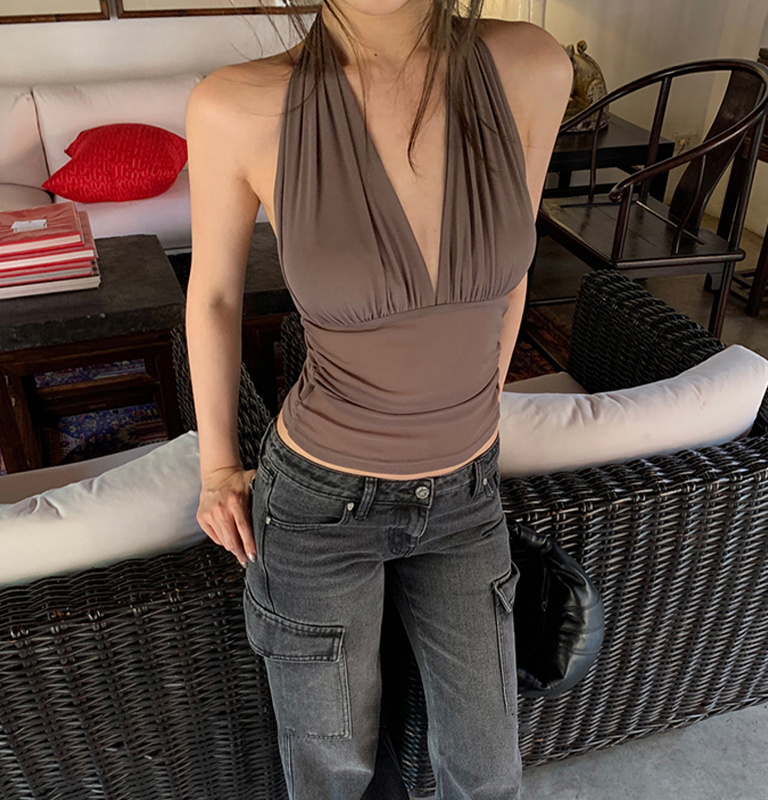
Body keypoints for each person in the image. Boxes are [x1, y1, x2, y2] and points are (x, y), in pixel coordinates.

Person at [184, 2, 572, 798]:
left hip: (467, 497)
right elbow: (215, 296)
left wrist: (474, 411)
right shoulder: (237, 105)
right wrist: (218, 467)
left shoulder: (533, 68)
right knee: (336, 773)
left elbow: (514, 272)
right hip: (320, 506)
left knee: (489, 770)